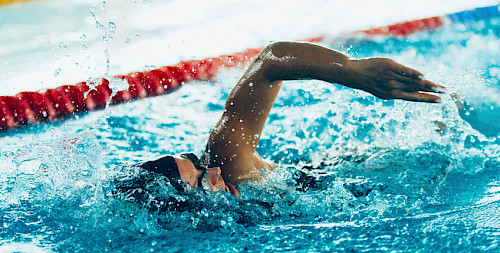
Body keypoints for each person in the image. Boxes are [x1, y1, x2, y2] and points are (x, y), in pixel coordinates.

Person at [115, 41, 444, 203]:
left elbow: (270, 60)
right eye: (202, 181)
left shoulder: (224, 161)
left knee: (425, 153)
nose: (213, 173)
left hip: (328, 179)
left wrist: (352, 70)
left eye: (194, 161)